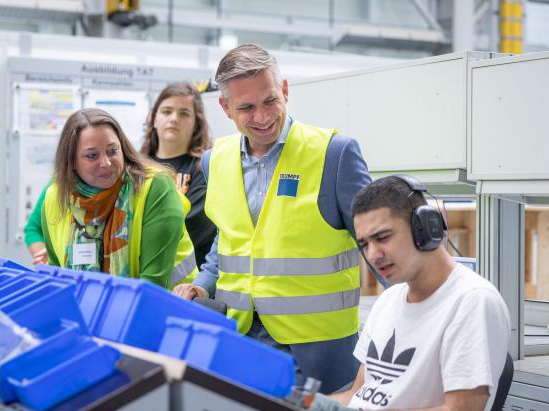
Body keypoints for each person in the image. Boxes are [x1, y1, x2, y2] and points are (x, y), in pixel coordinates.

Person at [173, 44, 372, 393]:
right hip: (241, 341)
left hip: (318, 348)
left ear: (284, 90)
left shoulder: (333, 154)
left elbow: (380, 244)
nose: (262, 117)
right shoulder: (213, 160)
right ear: (225, 107)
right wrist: (202, 284)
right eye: (246, 107)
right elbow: (230, 240)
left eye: (269, 101)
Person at [310, 175, 510, 411]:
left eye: (382, 237)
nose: (372, 255)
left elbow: (461, 409)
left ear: (424, 228)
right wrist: (303, 403)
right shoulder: (388, 300)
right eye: (364, 244)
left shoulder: (473, 300)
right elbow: (357, 394)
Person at [30, 107, 193, 288]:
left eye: (112, 151)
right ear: (71, 161)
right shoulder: (55, 196)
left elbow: (153, 284)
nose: (106, 163)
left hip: (167, 309)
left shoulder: (154, 188)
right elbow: (59, 277)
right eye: (92, 156)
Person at [140, 82, 217, 269]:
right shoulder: (136, 167)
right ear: (153, 119)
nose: (174, 119)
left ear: (196, 123)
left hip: (190, 280)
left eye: (184, 113)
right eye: (166, 111)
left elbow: (192, 226)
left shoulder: (205, 167)